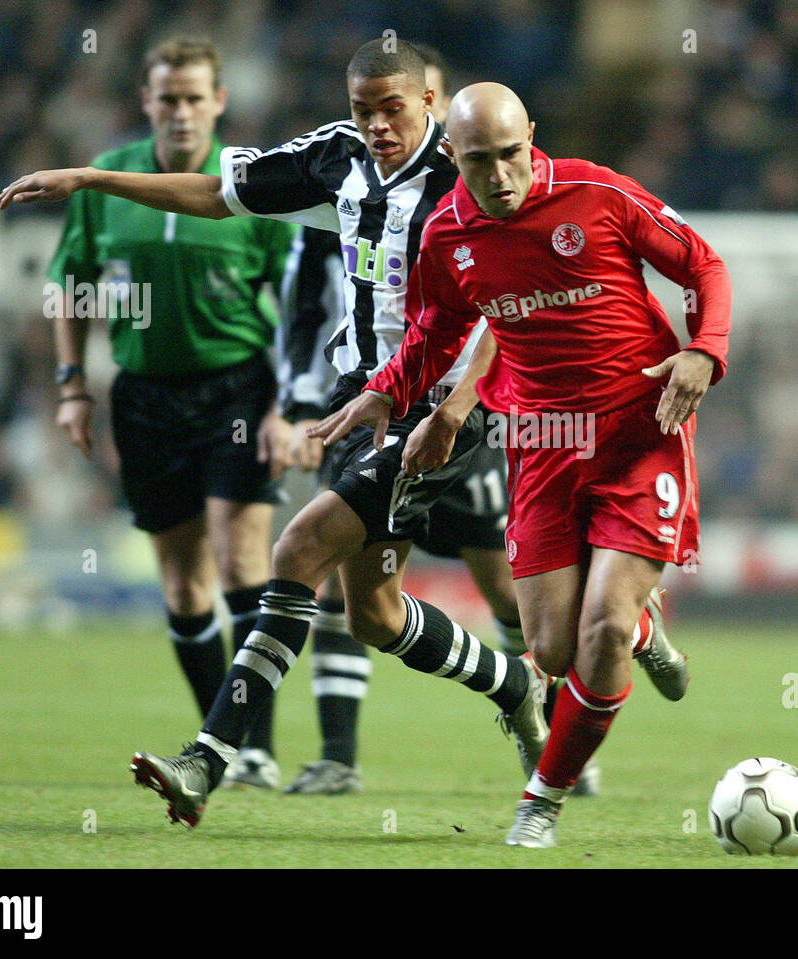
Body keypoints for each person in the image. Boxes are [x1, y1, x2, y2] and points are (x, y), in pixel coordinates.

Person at [313, 82, 731, 847]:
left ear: (531, 135)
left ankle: (543, 796)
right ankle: (645, 632)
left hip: (642, 431)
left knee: (597, 629)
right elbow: (436, 330)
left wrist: (704, 351)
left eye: (512, 154)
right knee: (550, 648)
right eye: (479, 161)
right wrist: (386, 393)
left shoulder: (596, 192)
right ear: (452, 156)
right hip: (540, 445)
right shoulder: (446, 235)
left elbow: (703, 266)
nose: (501, 175)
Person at [275, 46, 663, 799]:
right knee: (347, 583)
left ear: (433, 106)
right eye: (372, 112)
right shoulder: (352, 193)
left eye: (405, 107)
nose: (390, 125)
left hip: (478, 418)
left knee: (511, 592)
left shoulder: (486, 191)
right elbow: (323, 305)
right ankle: (340, 753)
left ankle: (557, 724)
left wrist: (456, 405)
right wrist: (308, 400)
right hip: (379, 409)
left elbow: (496, 311)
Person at [43, 38, 296, 788]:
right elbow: (69, 284)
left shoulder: (252, 186)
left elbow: (297, 303)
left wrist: (286, 403)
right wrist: (70, 386)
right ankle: (216, 730)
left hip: (238, 390)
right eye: (168, 97)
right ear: (147, 101)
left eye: (195, 97)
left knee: (241, 555)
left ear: (220, 101)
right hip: (144, 394)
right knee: (183, 582)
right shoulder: (108, 181)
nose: (181, 110)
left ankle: (249, 745)